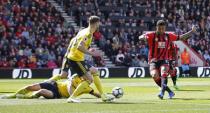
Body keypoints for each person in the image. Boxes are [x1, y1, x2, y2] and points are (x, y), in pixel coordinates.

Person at [48, 16, 112, 102]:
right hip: (75, 59)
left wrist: (88, 50)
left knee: (95, 71)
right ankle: (72, 97)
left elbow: (79, 45)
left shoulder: (83, 31)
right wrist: (92, 53)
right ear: (96, 23)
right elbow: (79, 47)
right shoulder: (88, 34)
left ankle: (103, 95)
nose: (99, 25)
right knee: (89, 79)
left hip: (77, 58)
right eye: (98, 23)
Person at [139, 20, 196, 99]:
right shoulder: (152, 35)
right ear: (157, 28)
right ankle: (170, 92)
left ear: (165, 28)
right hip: (153, 60)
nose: (161, 30)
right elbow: (141, 36)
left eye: (163, 28)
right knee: (154, 75)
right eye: (160, 29)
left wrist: (191, 32)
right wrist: (143, 37)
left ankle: (162, 93)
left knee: (164, 73)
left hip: (164, 60)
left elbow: (181, 37)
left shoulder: (168, 36)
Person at [1, 74, 100, 99]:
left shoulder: (88, 88)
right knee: (31, 86)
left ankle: (27, 97)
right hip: (54, 85)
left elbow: (96, 94)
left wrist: (107, 96)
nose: (90, 80)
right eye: (89, 77)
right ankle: (13, 95)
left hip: (57, 94)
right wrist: (72, 96)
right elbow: (70, 85)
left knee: (42, 91)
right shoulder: (77, 77)